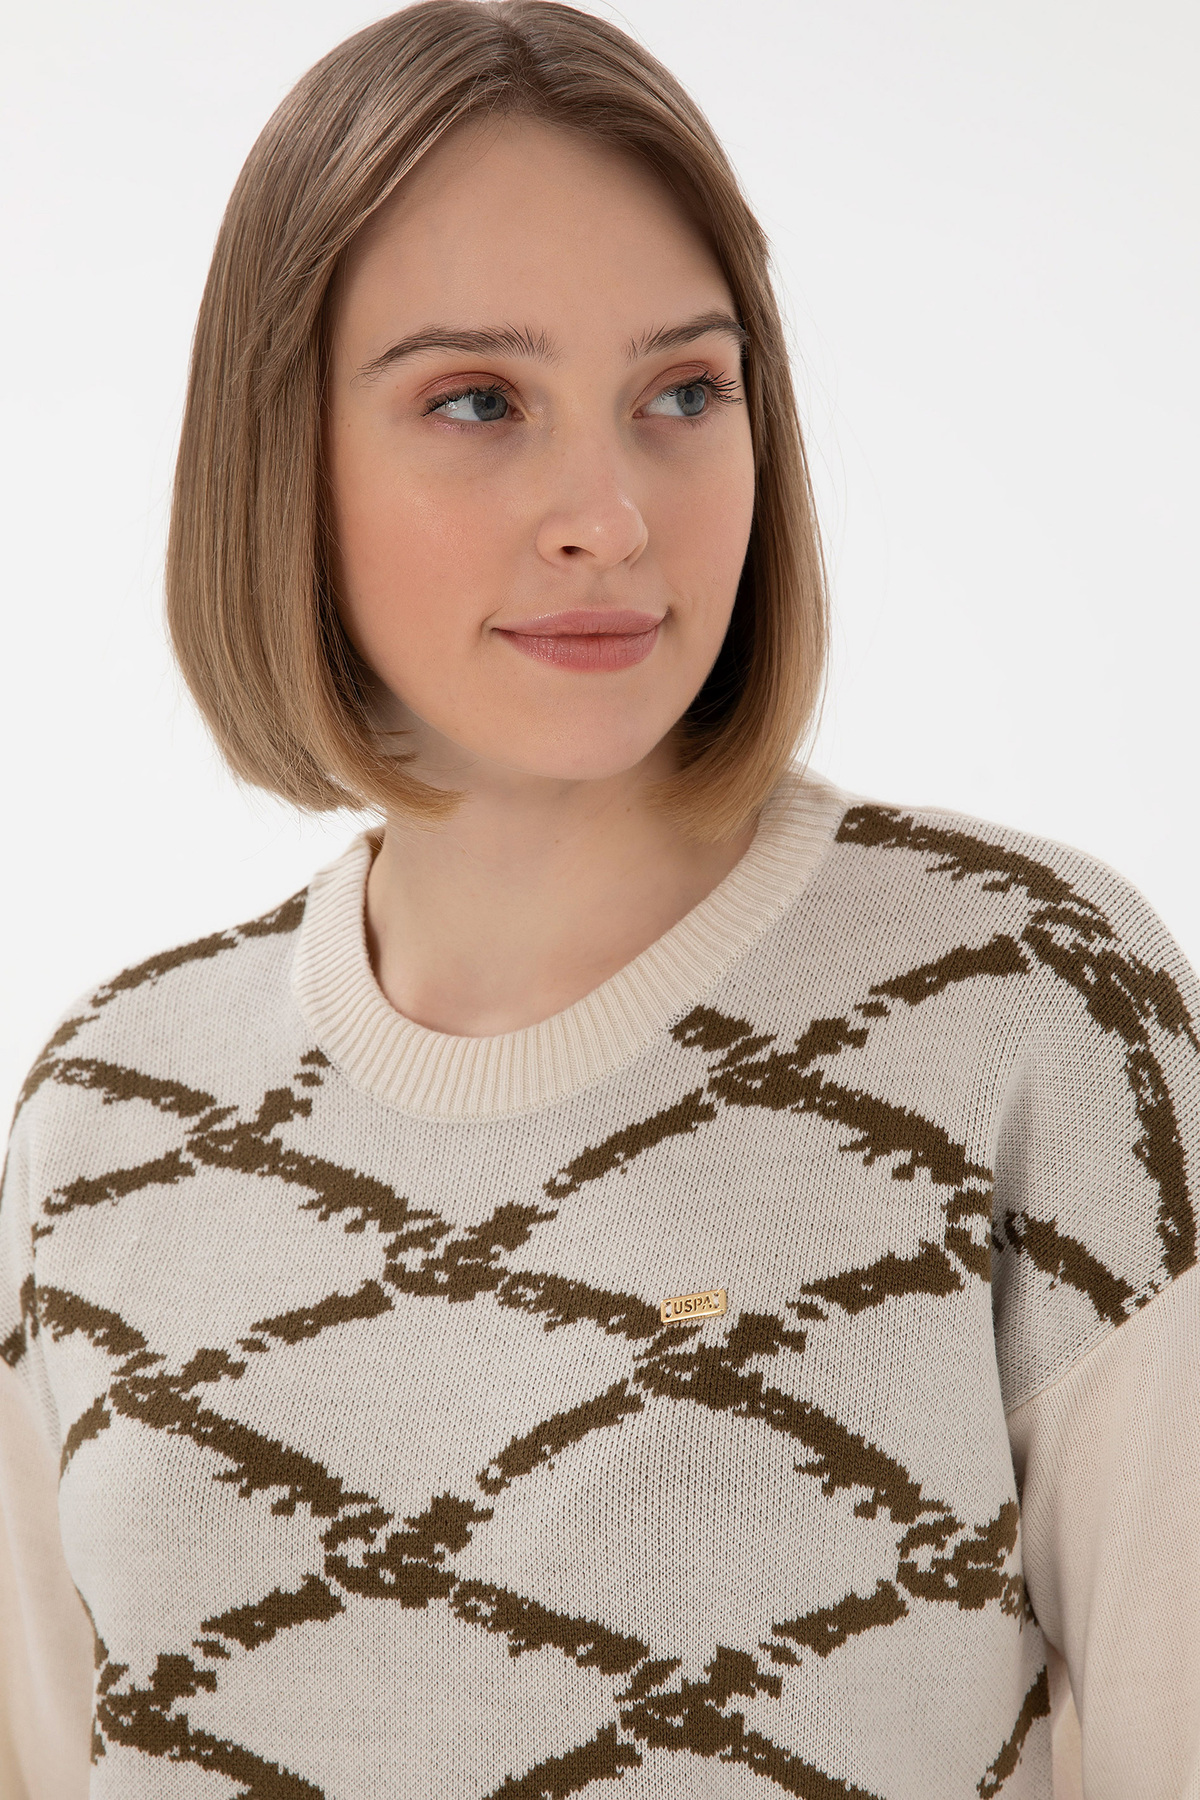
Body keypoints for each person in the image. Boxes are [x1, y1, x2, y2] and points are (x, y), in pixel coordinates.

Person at [1, 2, 1196, 1795]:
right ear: (281, 455)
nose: (609, 513)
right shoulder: (110, 1120)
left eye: (682, 393)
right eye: (478, 402)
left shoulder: (1029, 1008)